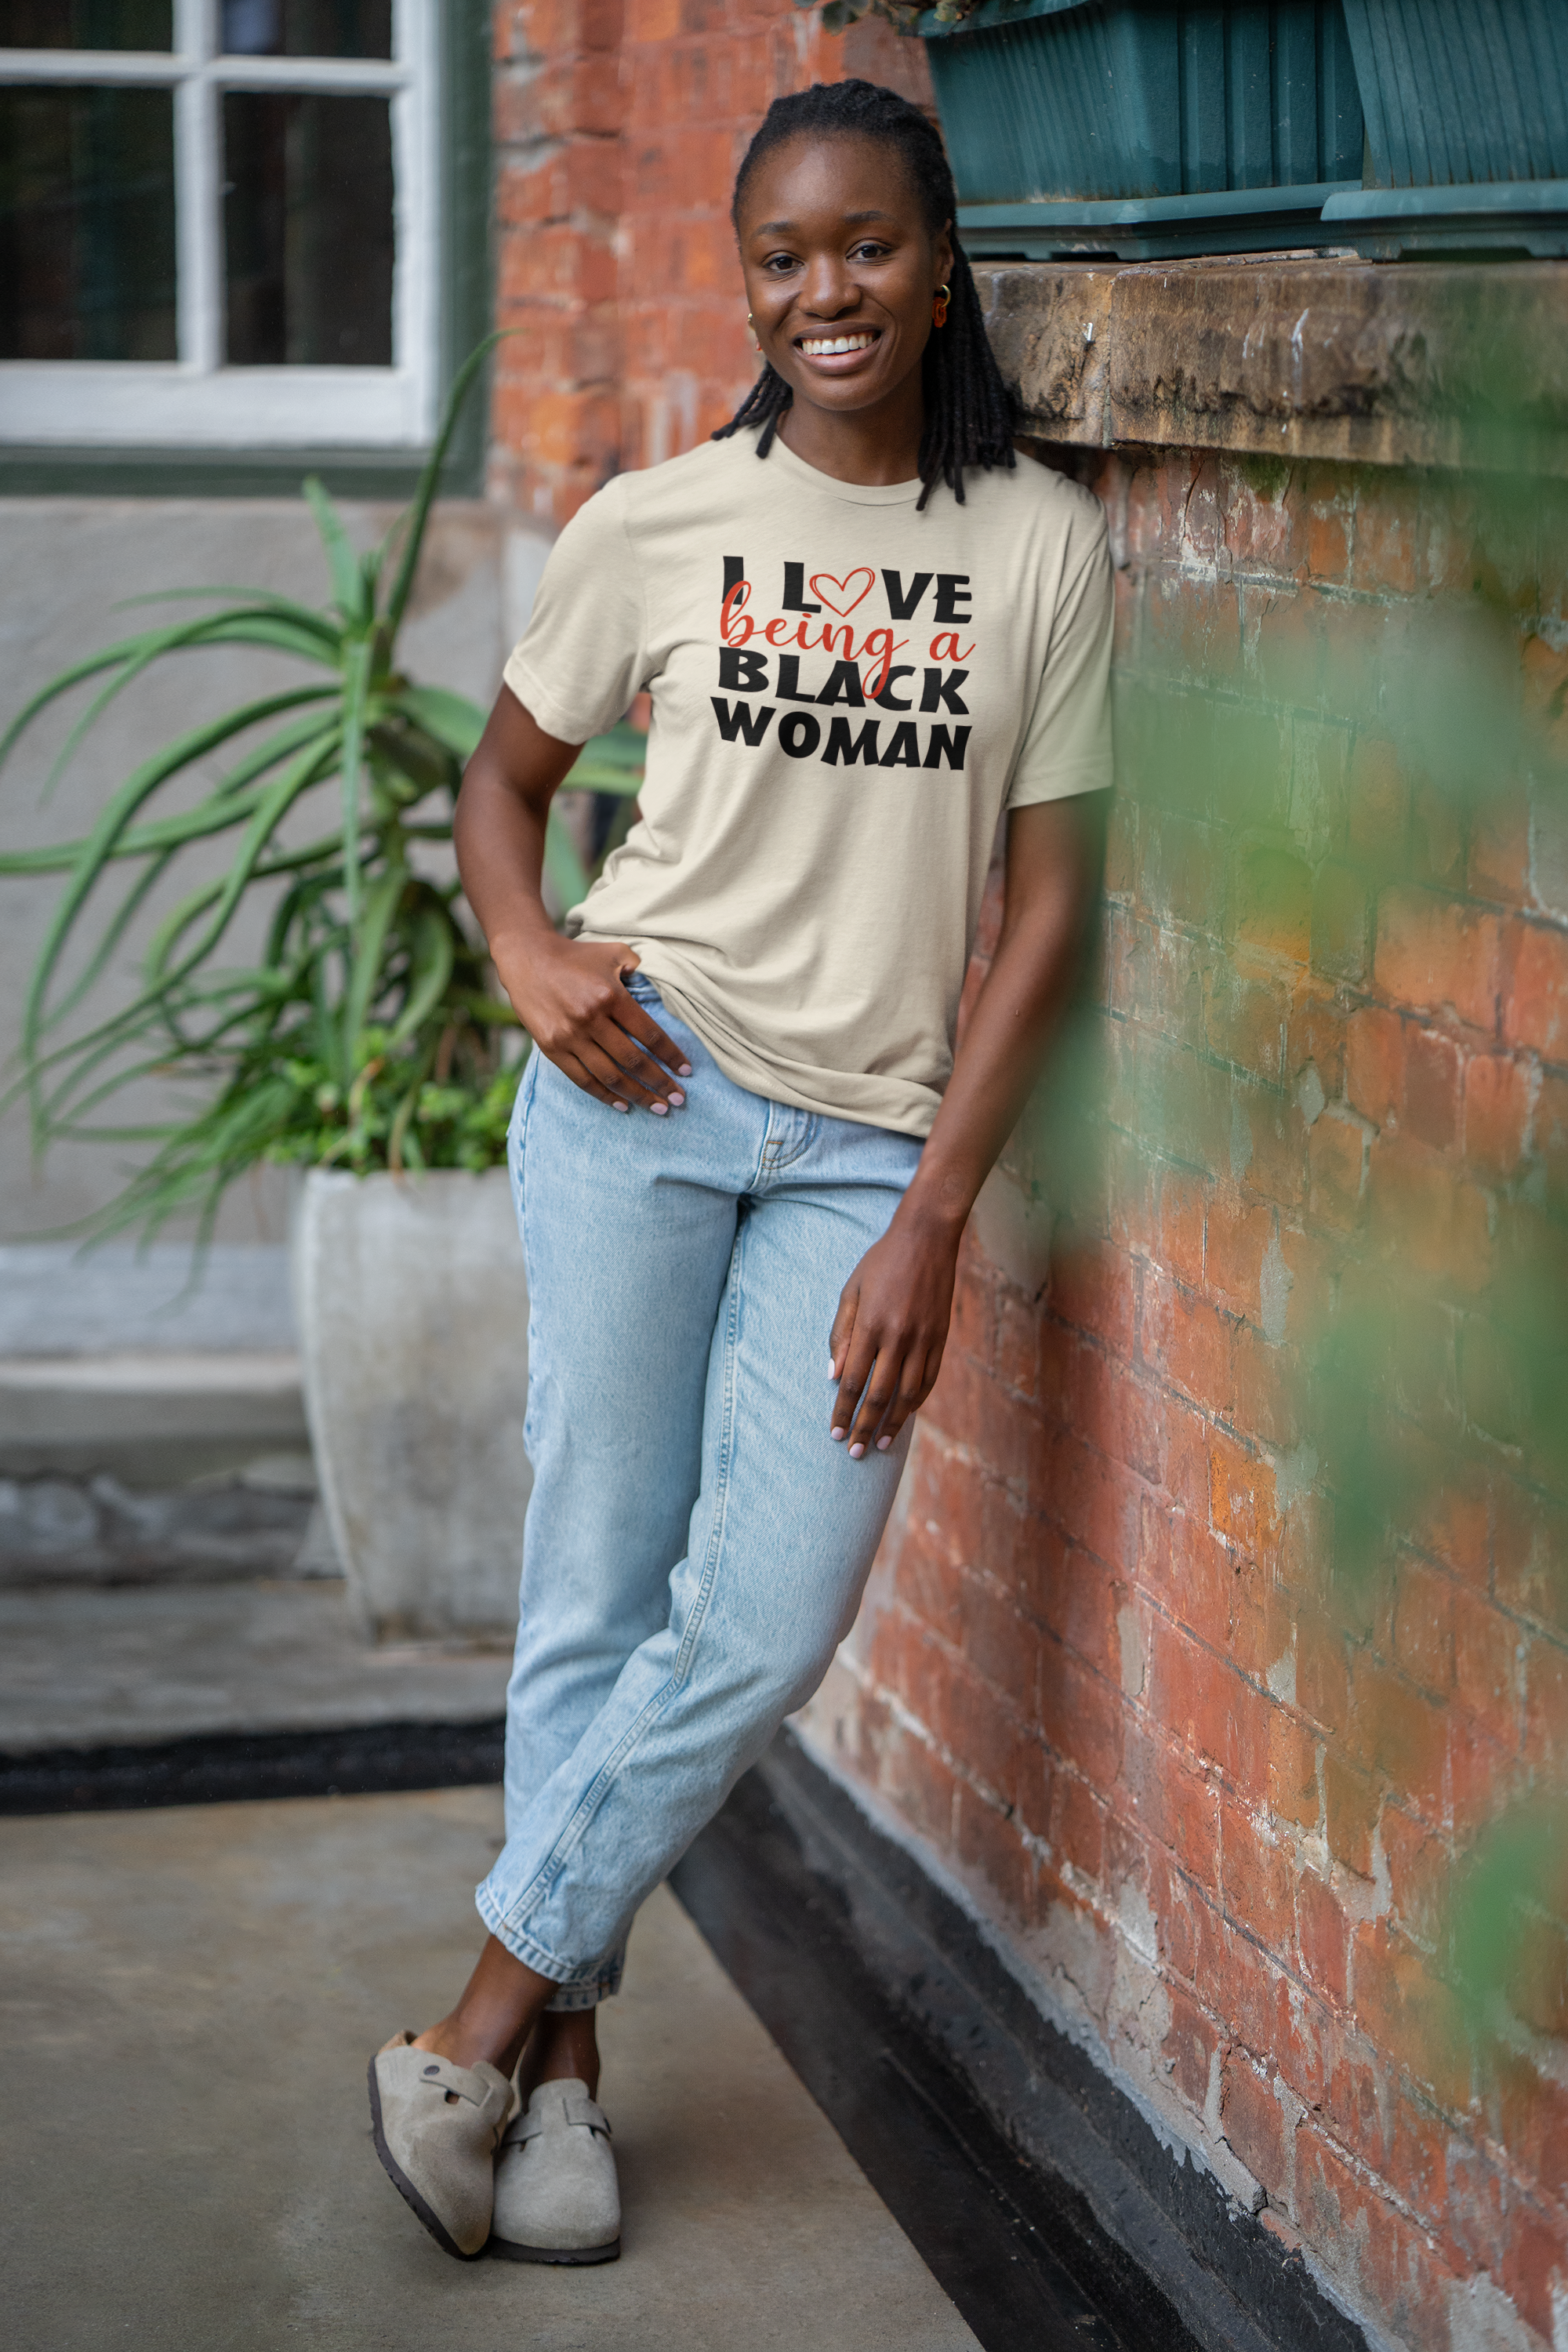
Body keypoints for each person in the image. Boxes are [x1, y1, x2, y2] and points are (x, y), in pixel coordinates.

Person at [367, 75, 1113, 2267]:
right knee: (596, 1577)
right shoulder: (659, 522)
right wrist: (523, 959)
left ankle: (483, 2014)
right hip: (644, 1084)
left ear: (940, 260)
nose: (823, 293)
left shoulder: (1040, 549)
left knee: (768, 1609)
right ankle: (561, 2090)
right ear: (750, 280)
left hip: (864, 1148)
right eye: (782, 258)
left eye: (864, 247)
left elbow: (1051, 915)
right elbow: (500, 788)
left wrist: (933, 1221)